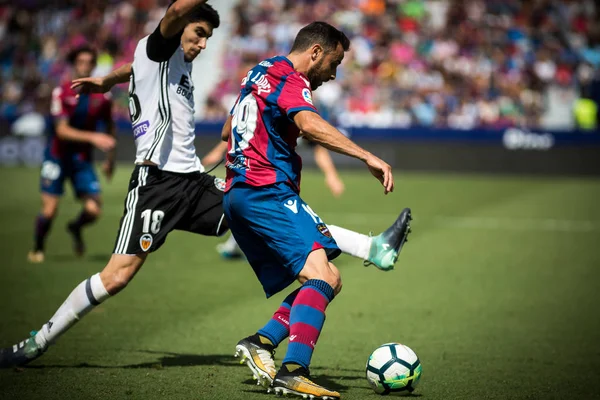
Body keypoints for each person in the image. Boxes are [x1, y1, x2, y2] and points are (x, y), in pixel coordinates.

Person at [0, 0, 224, 368]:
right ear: (179, 22)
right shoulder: (161, 44)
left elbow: (136, 67)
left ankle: (297, 305)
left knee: (252, 209)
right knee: (116, 277)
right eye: (199, 34)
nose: (202, 44)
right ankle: (35, 344)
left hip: (193, 181)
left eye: (208, 39)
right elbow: (170, 19)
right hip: (156, 183)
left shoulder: (170, 61)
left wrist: (107, 80)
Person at [223, 21, 406, 399]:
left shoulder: (259, 71)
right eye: (334, 63)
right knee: (322, 276)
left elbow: (228, 131)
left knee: (328, 279)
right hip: (267, 190)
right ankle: (293, 370)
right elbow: (308, 122)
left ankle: (261, 341)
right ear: (316, 52)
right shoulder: (292, 78)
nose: (334, 74)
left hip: (240, 192)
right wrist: (366, 155)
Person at [28, 46, 116, 263]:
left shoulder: (103, 97)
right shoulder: (62, 92)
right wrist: (93, 138)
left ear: (94, 65)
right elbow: (62, 130)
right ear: (74, 64)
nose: (85, 66)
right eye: (81, 62)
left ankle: (75, 228)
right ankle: (37, 248)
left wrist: (110, 160)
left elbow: (110, 127)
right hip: (56, 157)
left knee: (94, 210)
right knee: (49, 210)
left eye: (89, 62)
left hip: (81, 162)